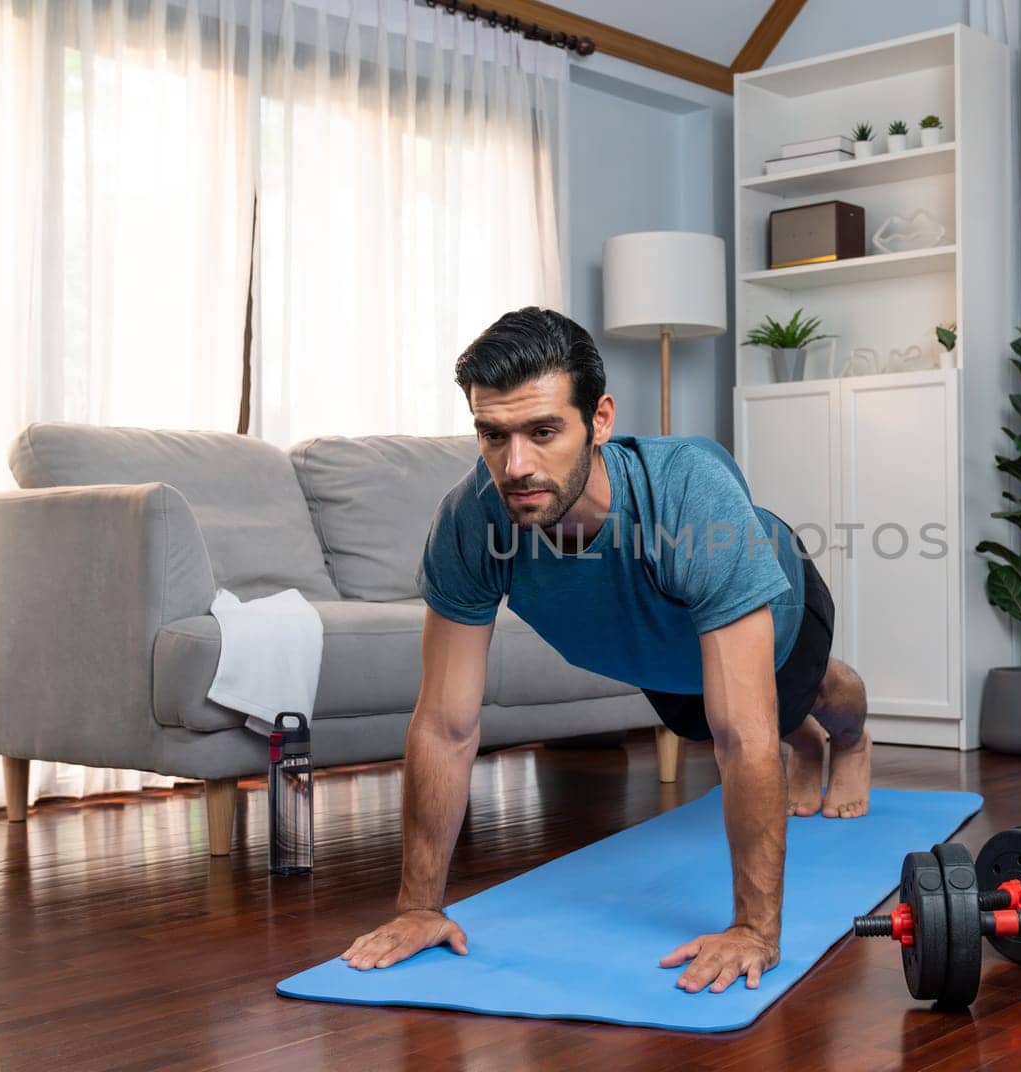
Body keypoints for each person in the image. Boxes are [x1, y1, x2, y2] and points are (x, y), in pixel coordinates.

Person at [339, 307, 872, 995]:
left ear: (600, 419)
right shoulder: (470, 522)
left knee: (810, 697)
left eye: (543, 431)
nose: (516, 465)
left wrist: (754, 931)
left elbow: (743, 738)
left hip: (776, 603)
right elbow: (445, 724)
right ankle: (804, 745)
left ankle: (849, 742)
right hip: (656, 651)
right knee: (706, 720)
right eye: (492, 435)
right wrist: (417, 908)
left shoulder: (686, 493)